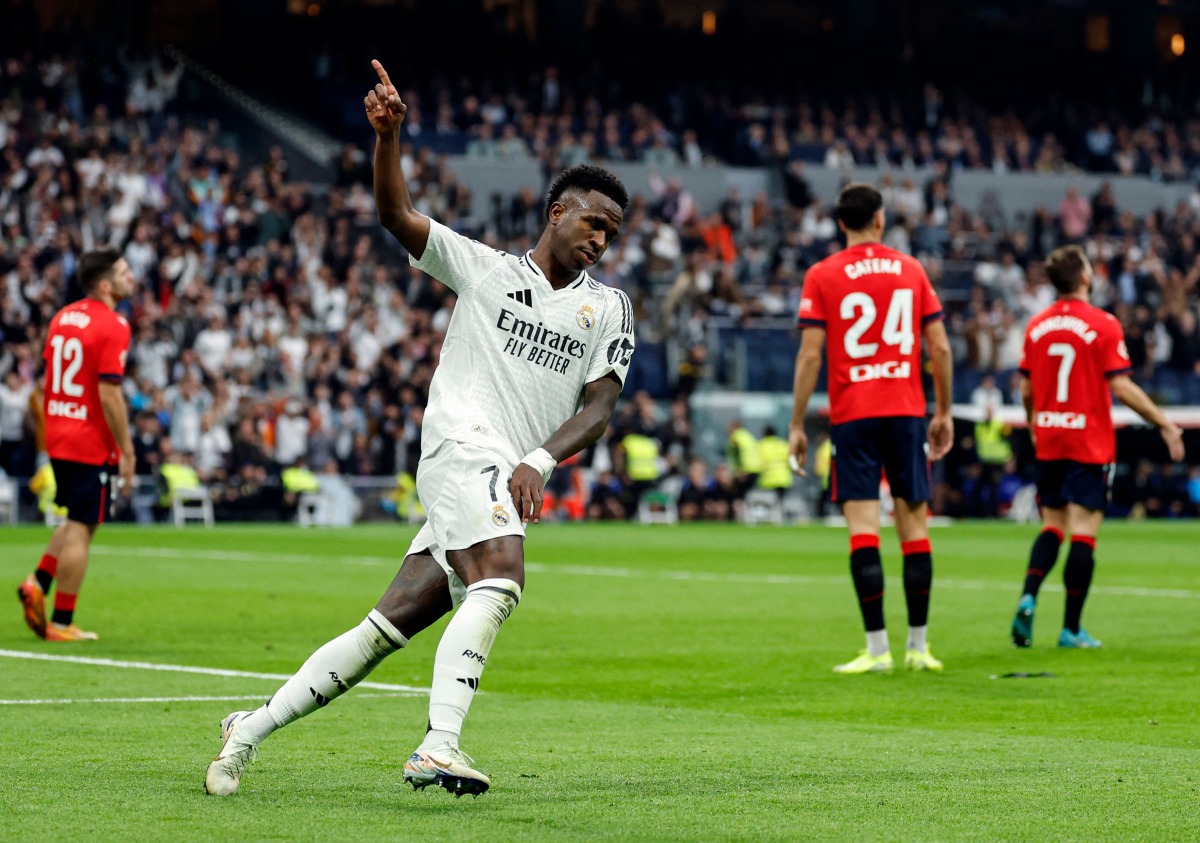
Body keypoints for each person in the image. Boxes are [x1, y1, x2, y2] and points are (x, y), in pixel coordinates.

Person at [204, 59, 634, 799]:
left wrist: (538, 457)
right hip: (461, 448)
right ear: (557, 212)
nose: (602, 240)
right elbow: (395, 216)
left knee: (382, 629)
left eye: (614, 232)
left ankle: (246, 729)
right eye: (594, 222)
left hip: (505, 467)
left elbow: (599, 408)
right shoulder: (484, 269)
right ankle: (439, 744)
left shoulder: (611, 308)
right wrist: (388, 140)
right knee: (500, 578)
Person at [788, 183, 953, 674]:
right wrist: (942, 411)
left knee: (863, 531)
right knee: (915, 528)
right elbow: (940, 348)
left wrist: (797, 423)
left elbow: (811, 354)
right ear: (880, 221)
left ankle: (877, 649)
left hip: (854, 414)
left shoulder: (822, 274)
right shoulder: (911, 269)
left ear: (842, 223)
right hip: (905, 411)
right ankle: (919, 648)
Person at [1010, 245, 1184, 649]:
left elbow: (1025, 387)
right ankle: (1070, 629)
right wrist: (1164, 423)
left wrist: (1037, 424)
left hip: (1050, 435)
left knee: (1052, 525)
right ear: (1085, 277)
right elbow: (1120, 385)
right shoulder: (1103, 325)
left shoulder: (1036, 326)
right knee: (1084, 533)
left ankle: (1028, 596)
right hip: (1088, 439)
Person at [16, 248, 135, 642]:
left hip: (59, 431)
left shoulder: (62, 317)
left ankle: (37, 582)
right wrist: (126, 450)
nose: (130, 276)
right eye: (122, 271)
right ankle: (63, 622)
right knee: (84, 526)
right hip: (88, 438)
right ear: (105, 285)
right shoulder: (114, 324)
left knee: (74, 519)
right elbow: (108, 393)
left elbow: (52, 378)